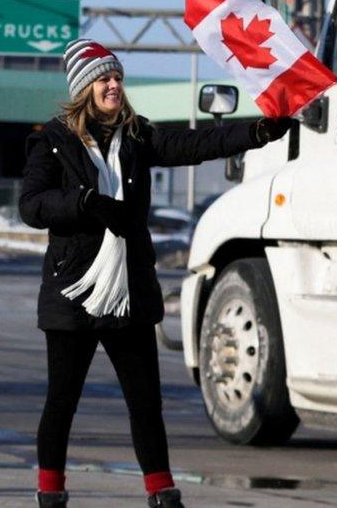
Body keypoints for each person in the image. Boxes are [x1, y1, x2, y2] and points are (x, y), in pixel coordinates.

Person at [19, 39, 291, 508]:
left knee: (145, 402)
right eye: (104, 78)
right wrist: (84, 204)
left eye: (118, 77)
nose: (114, 84)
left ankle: (162, 493)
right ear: (84, 86)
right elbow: (31, 206)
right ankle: (50, 493)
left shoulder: (138, 135)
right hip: (73, 290)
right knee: (61, 402)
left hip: (128, 288)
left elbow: (194, 143)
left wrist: (258, 132)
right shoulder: (53, 141)